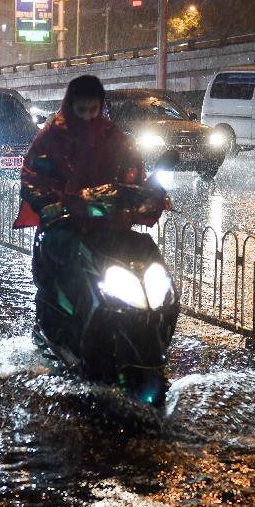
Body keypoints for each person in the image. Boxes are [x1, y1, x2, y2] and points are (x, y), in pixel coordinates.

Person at [13, 75, 156, 349]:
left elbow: (132, 171)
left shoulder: (111, 135)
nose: (89, 117)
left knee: (145, 250)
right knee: (70, 270)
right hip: (65, 226)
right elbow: (31, 179)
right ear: (70, 105)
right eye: (82, 110)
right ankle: (68, 335)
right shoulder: (52, 137)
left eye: (94, 110)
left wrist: (145, 195)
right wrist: (52, 204)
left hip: (108, 225)